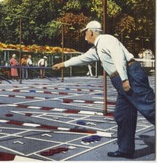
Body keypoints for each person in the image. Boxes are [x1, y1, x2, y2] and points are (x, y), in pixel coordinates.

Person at [52, 21, 155, 159]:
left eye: (85, 32)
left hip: (129, 75)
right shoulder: (97, 48)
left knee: (150, 108)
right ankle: (125, 149)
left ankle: (125, 148)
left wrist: (124, 79)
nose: (84, 36)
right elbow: (83, 59)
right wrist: (63, 64)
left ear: (91, 32)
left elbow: (118, 56)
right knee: (123, 115)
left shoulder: (106, 40)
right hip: (120, 78)